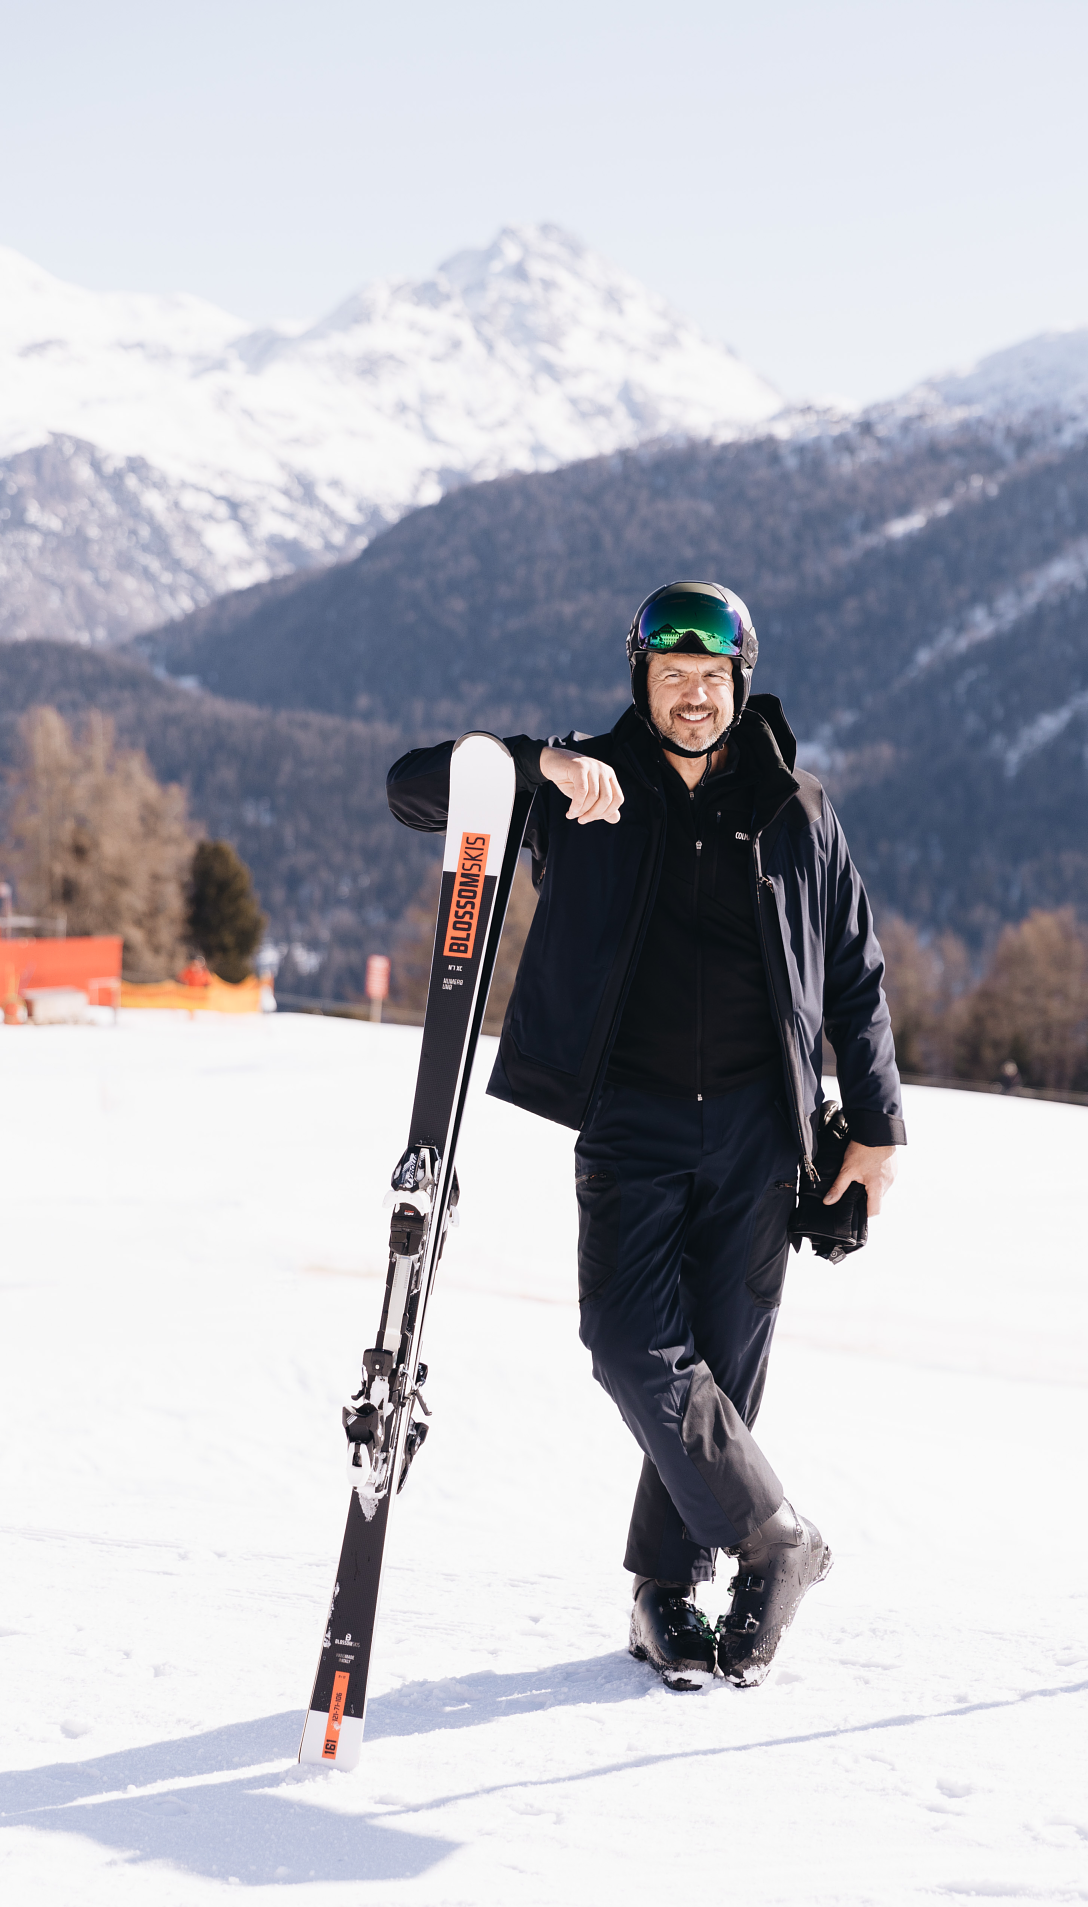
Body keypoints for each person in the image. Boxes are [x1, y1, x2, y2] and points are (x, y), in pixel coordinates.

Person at [386, 581, 905, 1689]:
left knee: (719, 1371)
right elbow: (414, 790)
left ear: (739, 682)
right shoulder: (588, 787)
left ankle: (666, 1593)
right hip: (632, 1115)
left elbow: (856, 974)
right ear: (642, 681)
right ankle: (778, 1539)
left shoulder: (797, 809)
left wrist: (877, 1130)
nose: (693, 696)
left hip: (765, 1132)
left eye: (711, 677)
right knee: (630, 1344)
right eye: (672, 676)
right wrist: (533, 762)